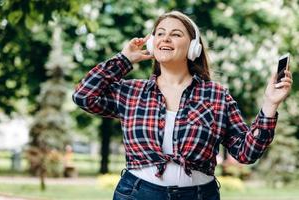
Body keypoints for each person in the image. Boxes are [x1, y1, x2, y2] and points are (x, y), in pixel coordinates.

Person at [72, 10, 293, 200]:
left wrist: (269, 104)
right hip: (137, 193)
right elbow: (84, 95)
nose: (165, 39)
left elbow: (247, 153)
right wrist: (124, 59)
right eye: (160, 34)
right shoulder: (131, 92)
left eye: (175, 34)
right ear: (152, 43)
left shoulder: (216, 96)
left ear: (193, 47)